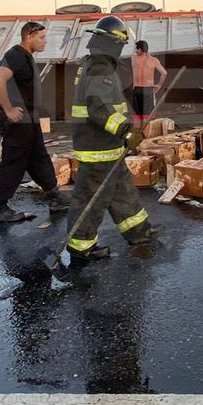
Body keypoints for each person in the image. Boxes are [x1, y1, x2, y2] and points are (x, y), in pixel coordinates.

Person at [65, 16, 159, 260]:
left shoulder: (93, 63)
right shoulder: (100, 67)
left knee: (122, 191)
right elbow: (99, 107)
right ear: (112, 42)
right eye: (120, 43)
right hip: (98, 147)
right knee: (91, 199)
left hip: (108, 146)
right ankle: (80, 247)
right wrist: (126, 131)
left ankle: (139, 231)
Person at [0, 21, 64, 223]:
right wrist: (9, 110)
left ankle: (55, 197)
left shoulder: (26, 57)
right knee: (14, 162)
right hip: (18, 120)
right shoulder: (15, 55)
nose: (45, 42)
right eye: (41, 38)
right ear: (29, 36)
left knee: (38, 157)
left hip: (29, 119)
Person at [131, 40, 166, 127]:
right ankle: (146, 135)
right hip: (148, 89)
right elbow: (164, 73)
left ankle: (137, 135)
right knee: (147, 115)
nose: (136, 51)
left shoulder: (133, 59)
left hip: (137, 89)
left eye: (137, 49)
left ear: (141, 49)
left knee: (137, 115)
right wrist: (159, 85)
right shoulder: (153, 60)